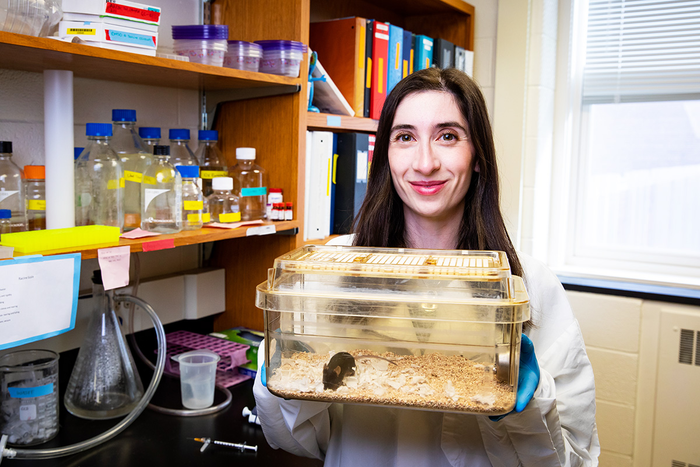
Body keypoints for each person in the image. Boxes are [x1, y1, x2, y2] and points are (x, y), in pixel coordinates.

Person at [253, 67, 600, 466]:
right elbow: (296, 440)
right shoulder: (333, 268)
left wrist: (530, 406)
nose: (425, 162)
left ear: (478, 157)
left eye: (447, 136)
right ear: (386, 155)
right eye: (405, 137)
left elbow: (574, 459)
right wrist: (282, 375)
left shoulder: (529, 284)